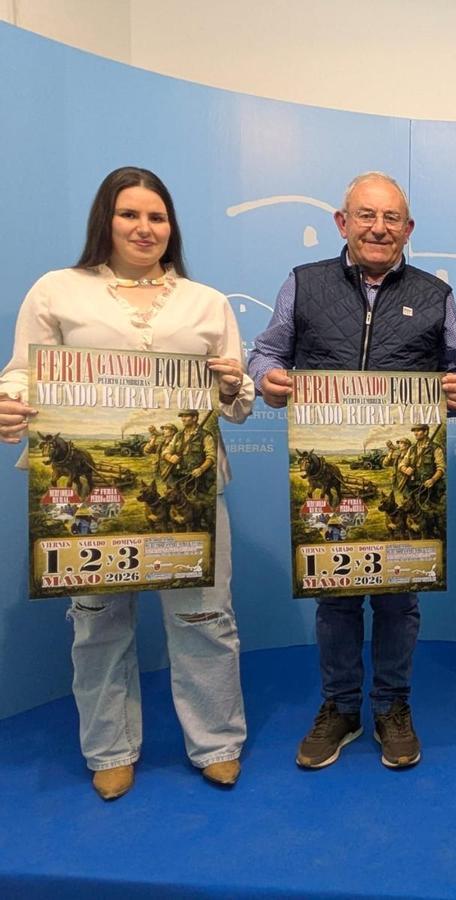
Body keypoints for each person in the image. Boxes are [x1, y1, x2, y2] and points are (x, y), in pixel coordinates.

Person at [0, 166, 254, 799]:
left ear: (172, 227)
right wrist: (6, 404)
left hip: (190, 491)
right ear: (105, 221)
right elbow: (21, 375)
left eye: (157, 217)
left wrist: (231, 386)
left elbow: (240, 402)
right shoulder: (58, 290)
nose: (144, 228)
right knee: (97, 620)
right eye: (130, 215)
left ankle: (217, 741)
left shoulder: (206, 301)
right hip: (87, 493)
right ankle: (109, 747)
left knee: (206, 617)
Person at [247, 171, 456, 771]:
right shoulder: (304, 284)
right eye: (366, 216)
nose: (380, 228)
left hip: (405, 474)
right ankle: (341, 708)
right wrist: (265, 379)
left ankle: (393, 707)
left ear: (409, 229)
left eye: (392, 218)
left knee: (399, 601)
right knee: (337, 598)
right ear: (342, 223)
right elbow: (266, 353)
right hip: (327, 468)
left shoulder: (435, 295)